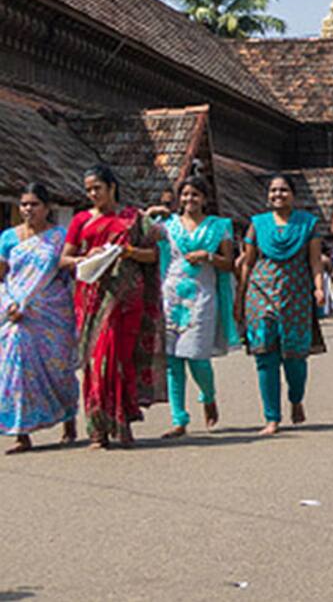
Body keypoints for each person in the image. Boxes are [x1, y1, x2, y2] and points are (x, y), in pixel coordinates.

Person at [58, 164, 166, 449]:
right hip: (92, 298)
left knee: (120, 359)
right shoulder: (81, 220)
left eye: (98, 188)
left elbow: (153, 255)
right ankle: (97, 430)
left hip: (126, 297)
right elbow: (64, 260)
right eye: (89, 189)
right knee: (95, 363)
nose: (93, 194)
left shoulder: (134, 218)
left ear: (112, 187)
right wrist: (86, 256)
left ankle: (123, 423)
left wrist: (128, 251)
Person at [238, 174, 325, 436]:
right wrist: (239, 295)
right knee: (265, 356)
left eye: (283, 190)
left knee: (295, 357)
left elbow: (315, 262)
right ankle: (271, 417)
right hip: (260, 294)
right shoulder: (257, 224)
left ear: (293, 195)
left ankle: (296, 398)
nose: (278, 194)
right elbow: (248, 263)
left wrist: (319, 288)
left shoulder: (308, 224)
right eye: (273, 191)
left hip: (296, 296)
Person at [157, 177, 239, 438]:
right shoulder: (167, 227)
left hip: (203, 298)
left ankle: (208, 395)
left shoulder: (219, 227)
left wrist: (209, 257)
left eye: (195, 195)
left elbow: (229, 263)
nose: (189, 200)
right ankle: (179, 419)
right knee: (172, 360)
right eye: (185, 195)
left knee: (197, 358)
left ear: (205, 199)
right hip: (171, 296)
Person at [0, 183, 78, 453]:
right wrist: (11, 303)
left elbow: (67, 272)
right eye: (24, 204)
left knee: (58, 370)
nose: (28, 209)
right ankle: (21, 433)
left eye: (34, 204)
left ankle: (69, 420)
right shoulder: (9, 238)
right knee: (17, 370)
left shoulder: (59, 237)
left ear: (47, 208)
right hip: (17, 314)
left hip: (52, 313)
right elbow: (3, 276)